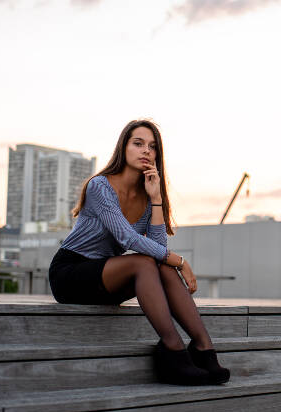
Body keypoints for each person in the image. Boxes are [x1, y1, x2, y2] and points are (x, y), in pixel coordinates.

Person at [48, 119, 229, 386]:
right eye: (138, 143)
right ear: (124, 147)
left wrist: (155, 198)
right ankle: (173, 350)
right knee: (146, 263)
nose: (146, 150)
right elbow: (126, 237)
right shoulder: (100, 186)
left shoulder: (147, 198)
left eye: (152, 147)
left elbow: (159, 250)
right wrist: (181, 261)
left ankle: (203, 348)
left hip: (107, 276)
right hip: (71, 273)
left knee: (159, 263)